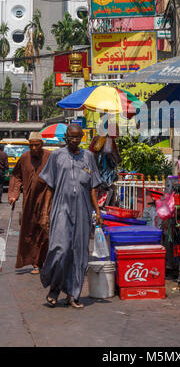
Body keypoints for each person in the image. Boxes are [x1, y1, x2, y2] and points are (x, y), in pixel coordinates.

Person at [39, 123, 103, 309]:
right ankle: (54, 289)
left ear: (81, 138)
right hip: (61, 207)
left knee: (79, 252)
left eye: (77, 137)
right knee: (60, 249)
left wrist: (97, 211)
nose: (74, 140)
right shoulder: (56, 156)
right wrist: (45, 211)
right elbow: (49, 186)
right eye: (71, 137)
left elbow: (92, 187)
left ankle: (73, 294)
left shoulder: (89, 157)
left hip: (83, 209)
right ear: (66, 138)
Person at [8, 132, 51, 274]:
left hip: (46, 200)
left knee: (45, 232)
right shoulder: (25, 157)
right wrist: (14, 195)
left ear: (42, 144)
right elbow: (16, 176)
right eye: (31, 145)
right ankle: (34, 262)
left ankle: (41, 261)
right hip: (29, 201)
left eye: (36, 145)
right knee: (30, 231)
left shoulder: (50, 157)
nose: (33, 148)